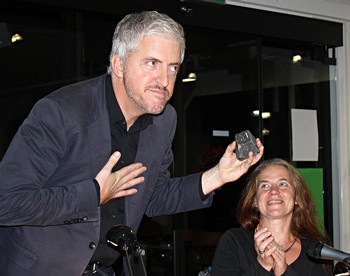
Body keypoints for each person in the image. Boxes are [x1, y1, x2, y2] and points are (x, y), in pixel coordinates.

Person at [0, 11, 264, 276]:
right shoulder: (60, 112)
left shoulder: (163, 120)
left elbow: (153, 197)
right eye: (152, 63)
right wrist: (93, 194)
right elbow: (7, 202)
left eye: (173, 67)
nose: (165, 81)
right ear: (119, 64)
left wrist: (218, 175)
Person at [211, 158, 332, 275]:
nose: (274, 191)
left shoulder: (314, 250)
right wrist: (261, 266)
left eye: (283, 184)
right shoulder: (233, 242)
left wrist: (284, 271)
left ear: (297, 198)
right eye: (265, 186)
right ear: (254, 201)